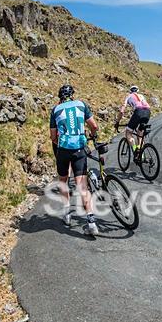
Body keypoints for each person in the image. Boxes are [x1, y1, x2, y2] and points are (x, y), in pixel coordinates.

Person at [50, 84, 99, 235]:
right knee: (82, 186)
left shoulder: (55, 110)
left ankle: (67, 215)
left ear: (60, 97)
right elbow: (94, 126)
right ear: (72, 95)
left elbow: (52, 137)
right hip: (79, 149)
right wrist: (92, 134)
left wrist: (62, 146)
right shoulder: (81, 105)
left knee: (63, 182)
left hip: (63, 151)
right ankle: (91, 224)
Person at [116, 86, 151, 162]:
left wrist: (117, 122)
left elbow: (122, 111)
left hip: (138, 112)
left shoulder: (128, 96)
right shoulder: (141, 96)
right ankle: (141, 154)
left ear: (130, 91)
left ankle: (135, 150)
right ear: (137, 91)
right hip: (147, 112)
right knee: (140, 132)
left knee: (128, 133)